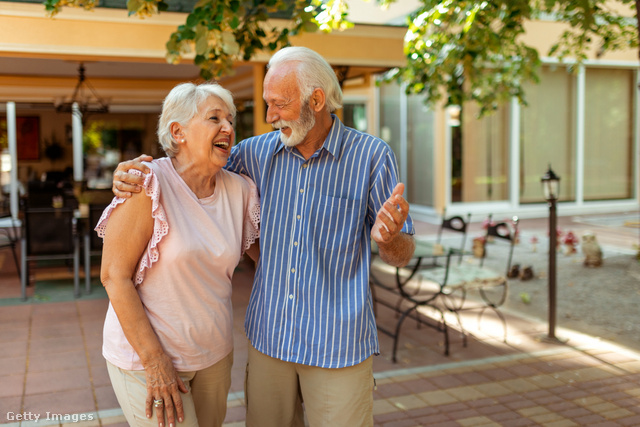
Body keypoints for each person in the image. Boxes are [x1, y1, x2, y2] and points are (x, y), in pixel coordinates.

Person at [112, 46, 415, 426]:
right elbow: (193, 161)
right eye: (266, 105)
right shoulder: (252, 155)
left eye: (278, 104)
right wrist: (130, 174)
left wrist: (388, 239)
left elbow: (402, 253)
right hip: (271, 339)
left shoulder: (372, 156)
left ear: (316, 100)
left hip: (338, 342)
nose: (269, 117)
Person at [98, 82, 260, 427]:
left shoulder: (241, 190)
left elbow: (267, 259)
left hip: (214, 355)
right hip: (148, 360)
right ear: (178, 132)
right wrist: (155, 360)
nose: (228, 129)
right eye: (214, 118)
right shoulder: (146, 184)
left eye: (231, 120)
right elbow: (114, 275)